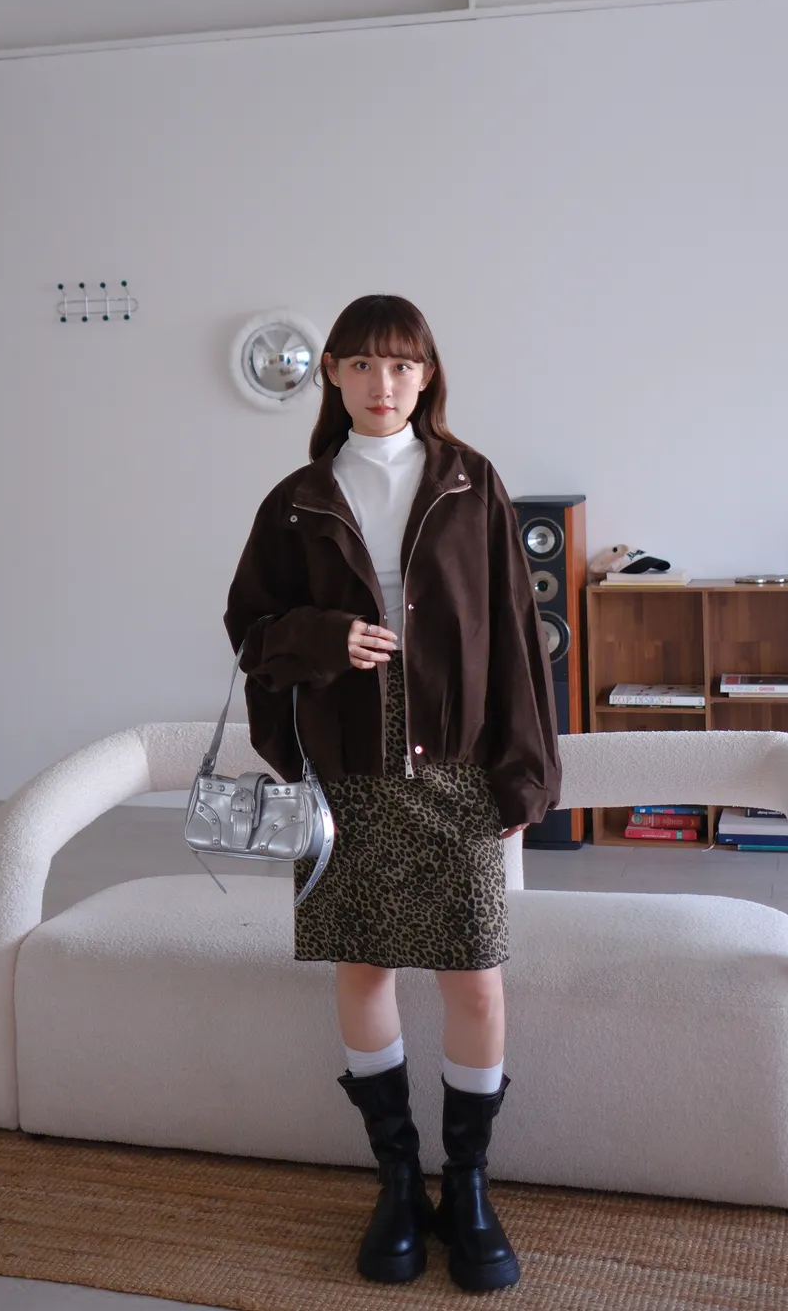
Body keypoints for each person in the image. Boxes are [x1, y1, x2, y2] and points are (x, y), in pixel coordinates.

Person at [223, 293, 561, 1293]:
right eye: (364, 364)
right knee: (363, 970)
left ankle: (469, 1186)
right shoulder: (297, 498)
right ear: (330, 371)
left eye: (403, 364)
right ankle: (398, 1182)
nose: (384, 383)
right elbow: (249, 630)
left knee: (476, 981)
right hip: (347, 775)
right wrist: (324, 640)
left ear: (428, 375)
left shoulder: (470, 481)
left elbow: (515, 631)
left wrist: (525, 767)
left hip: (456, 767)